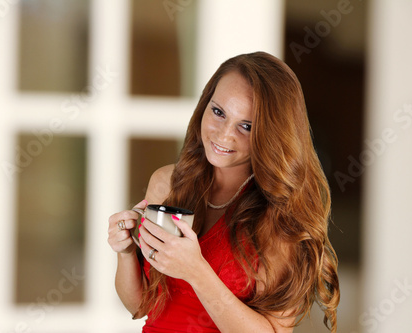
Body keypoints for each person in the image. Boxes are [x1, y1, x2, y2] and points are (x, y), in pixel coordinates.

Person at [108, 51, 340, 332]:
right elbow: (143, 306)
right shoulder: (167, 183)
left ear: (272, 134)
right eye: (218, 112)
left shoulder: (279, 214)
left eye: (246, 126)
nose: (223, 134)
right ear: (205, 105)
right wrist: (125, 252)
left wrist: (197, 272)